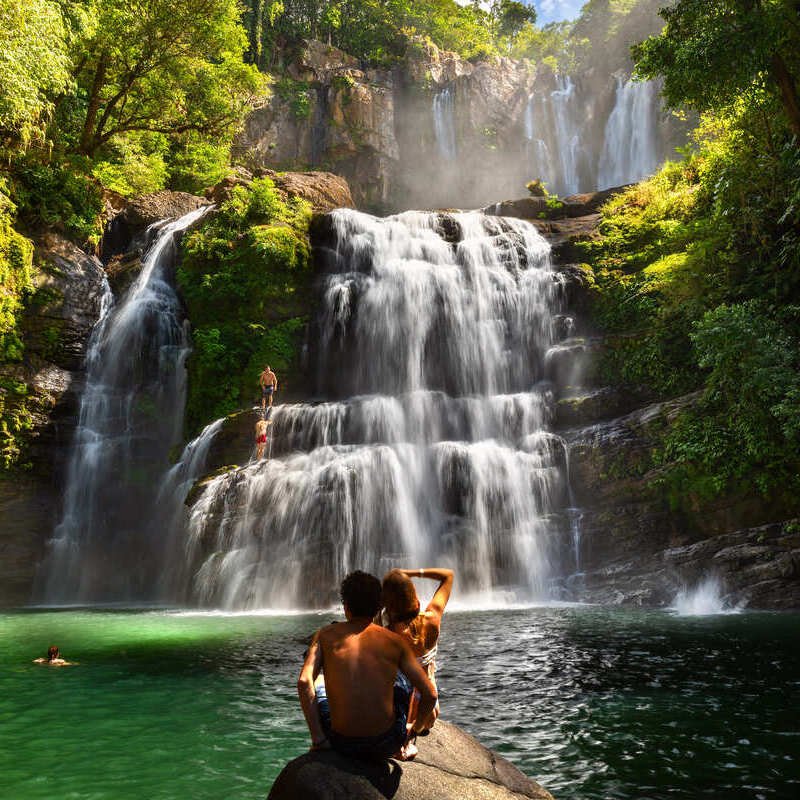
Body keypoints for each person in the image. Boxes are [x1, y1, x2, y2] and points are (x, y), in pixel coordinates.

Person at [297, 571, 437, 760]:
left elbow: (305, 682)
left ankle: (320, 741)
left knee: (319, 681)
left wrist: (319, 739)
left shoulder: (324, 635)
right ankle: (407, 745)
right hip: (386, 743)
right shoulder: (395, 642)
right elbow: (430, 694)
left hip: (341, 742)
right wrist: (413, 730)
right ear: (379, 607)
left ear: (346, 607)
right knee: (404, 681)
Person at [382, 567, 454, 756]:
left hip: (396, 709)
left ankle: (403, 737)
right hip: (427, 711)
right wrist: (410, 573)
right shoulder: (432, 618)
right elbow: (448, 575)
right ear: (413, 596)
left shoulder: (384, 632)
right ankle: (412, 734)